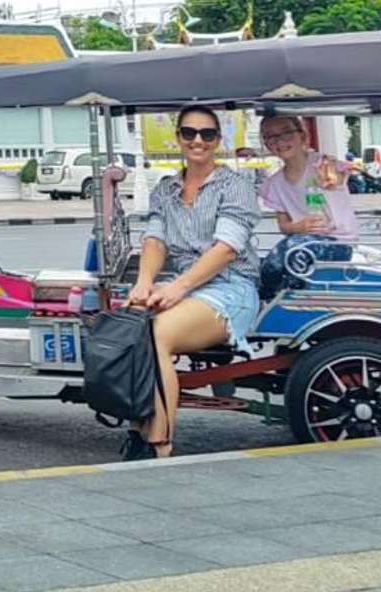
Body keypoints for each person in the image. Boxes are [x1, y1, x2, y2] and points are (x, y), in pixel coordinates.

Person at [124, 105, 261, 460]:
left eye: (207, 134)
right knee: (131, 324)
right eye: (189, 133)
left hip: (231, 288)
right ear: (178, 138)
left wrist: (176, 288)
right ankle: (139, 425)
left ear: (218, 140)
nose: (197, 140)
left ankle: (159, 443)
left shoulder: (236, 186)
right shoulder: (166, 188)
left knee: (158, 335)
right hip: (183, 283)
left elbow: (226, 249)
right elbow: (154, 240)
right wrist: (144, 282)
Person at [257, 115, 360, 299]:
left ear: (303, 136)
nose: (279, 141)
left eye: (286, 134)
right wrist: (298, 227)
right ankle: (265, 299)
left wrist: (331, 176)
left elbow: (338, 175)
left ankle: (288, 303)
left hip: (339, 243)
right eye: (271, 137)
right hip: (304, 242)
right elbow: (283, 225)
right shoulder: (274, 183)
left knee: (295, 249)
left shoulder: (322, 164)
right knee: (271, 260)